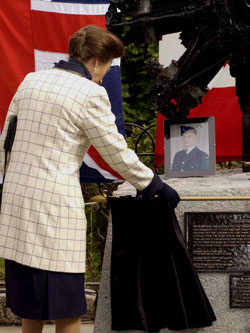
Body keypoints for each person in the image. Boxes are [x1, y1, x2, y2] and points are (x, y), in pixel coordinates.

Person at [0, 25, 179, 333]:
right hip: (53, 212)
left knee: (31, 308)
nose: (105, 73)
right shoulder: (90, 93)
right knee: (68, 309)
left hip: (16, 204)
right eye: (108, 65)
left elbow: (7, 141)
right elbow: (114, 151)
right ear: (96, 60)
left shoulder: (31, 80)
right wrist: (153, 184)